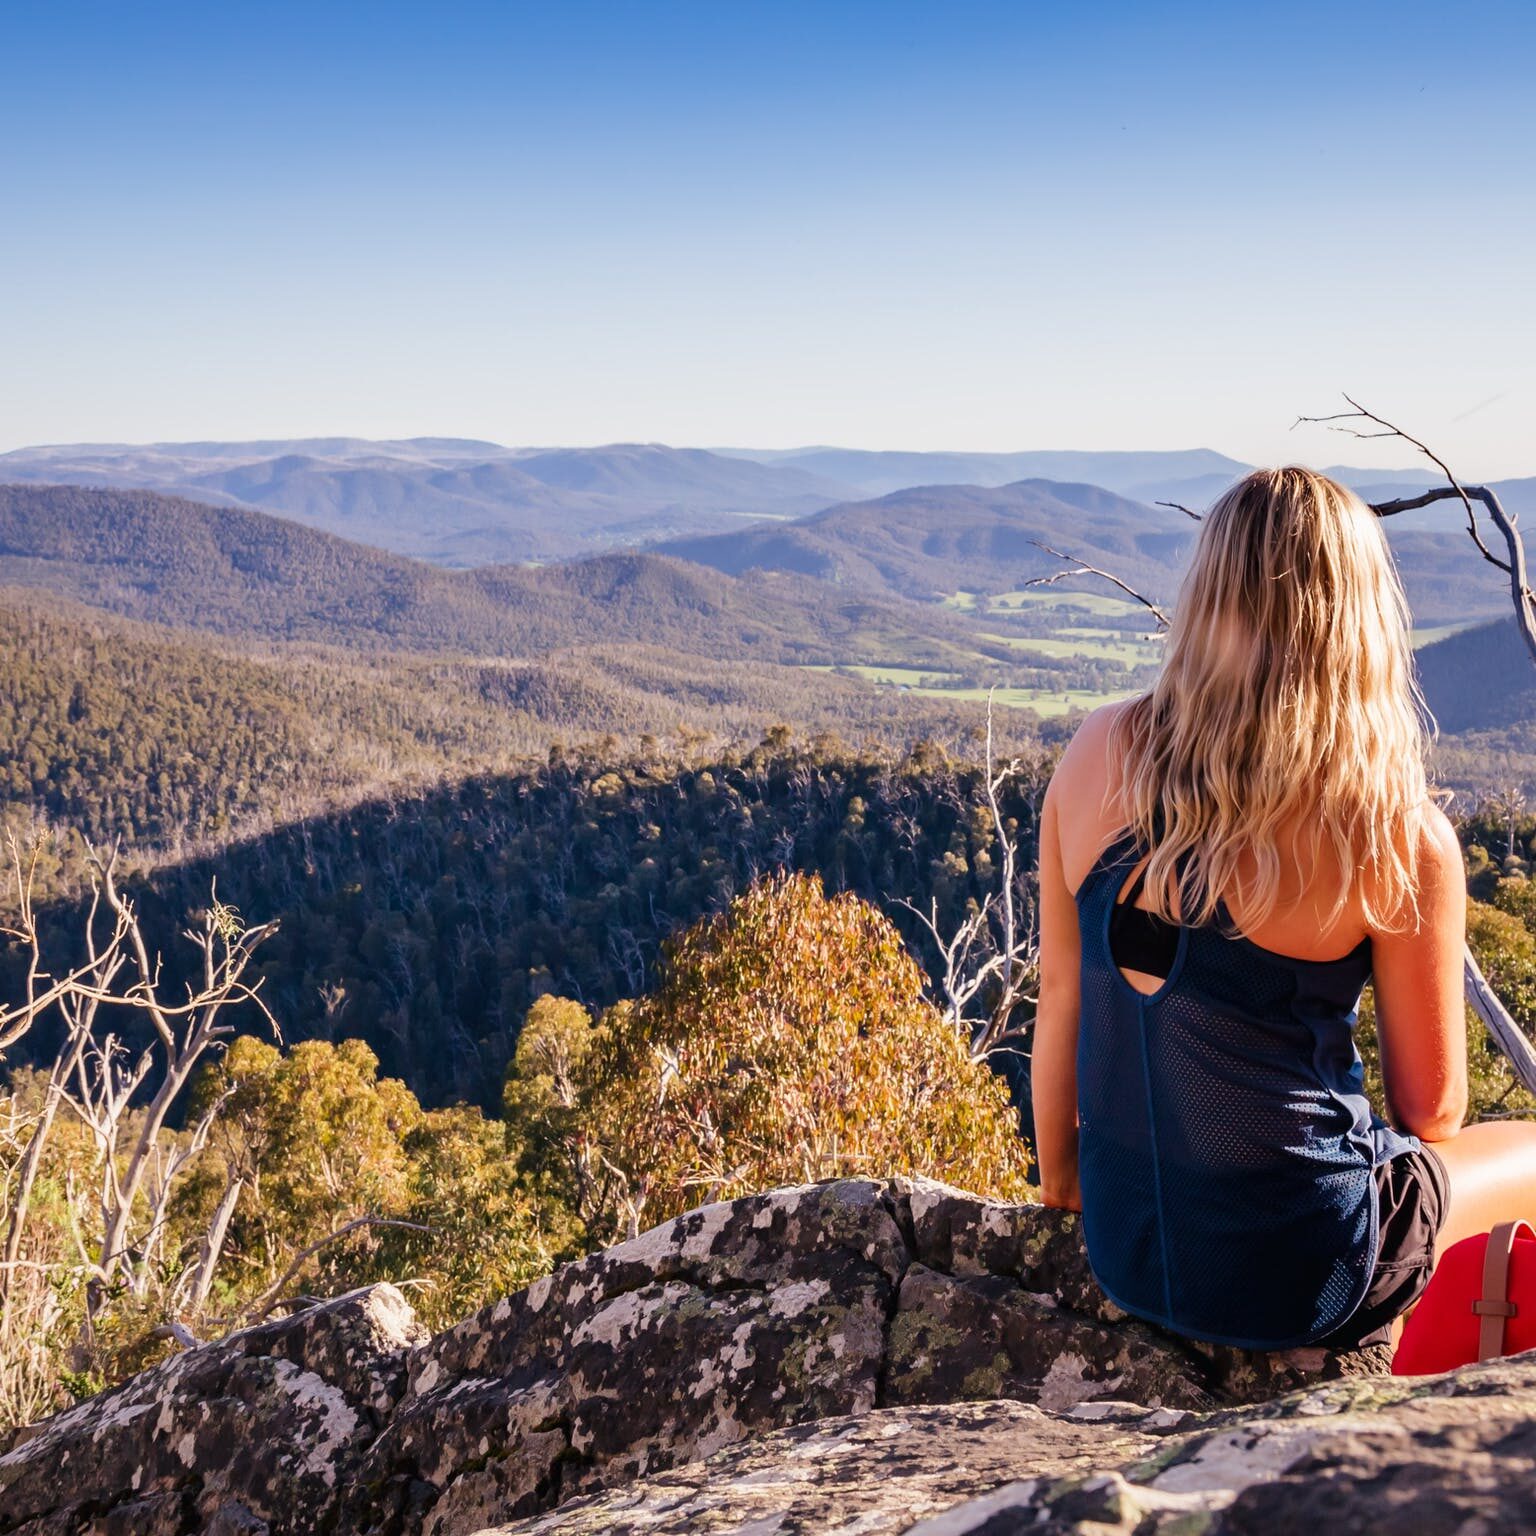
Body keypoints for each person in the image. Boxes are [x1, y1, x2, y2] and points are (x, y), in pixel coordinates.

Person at [1031, 465, 1536, 1353]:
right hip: (1305, 1274)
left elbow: (1064, 996)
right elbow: (1434, 1116)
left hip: (1126, 1250)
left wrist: (1067, 1188)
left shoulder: (1095, 752)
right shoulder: (1393, 834)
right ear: (1358, 625)